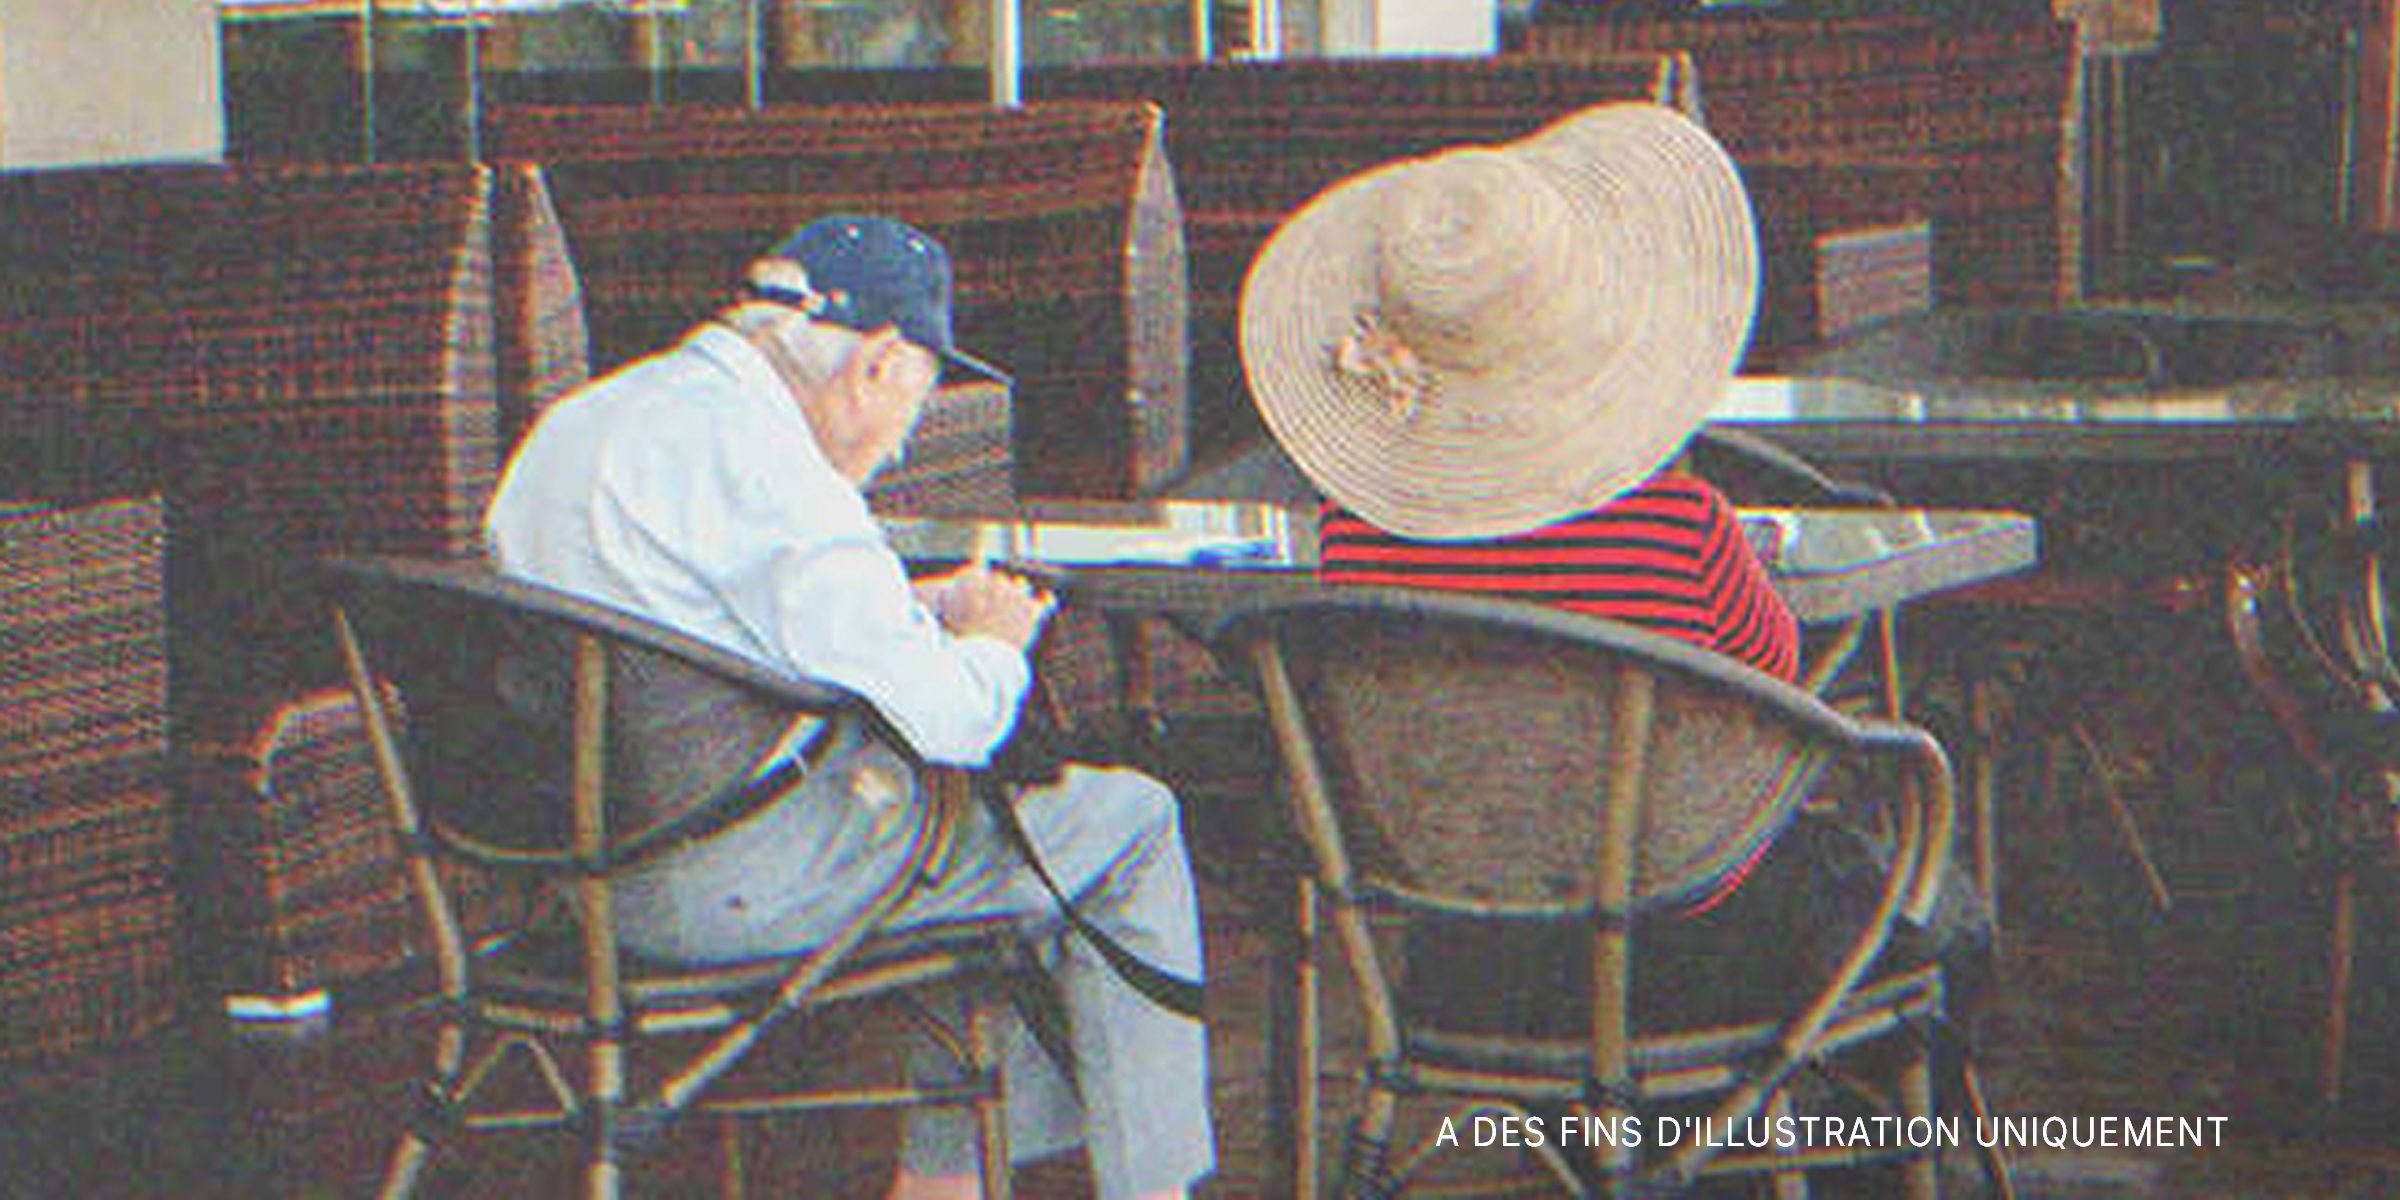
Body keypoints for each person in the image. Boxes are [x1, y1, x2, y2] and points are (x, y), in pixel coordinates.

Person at [486, 215, 1214, 1200]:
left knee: (975, 845)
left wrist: (902, 609)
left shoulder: (591, 417)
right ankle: (1144, 1191)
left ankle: (952, 1183)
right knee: (1114, 823)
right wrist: (994, 640)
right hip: (714, 883)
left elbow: (684, 621)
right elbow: (957, 722)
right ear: (877, 362)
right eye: (916, 393)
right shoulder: (778, 472)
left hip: (570, 871)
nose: (910, 430)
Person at [1236, 102, 1988, 1037]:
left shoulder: (1354, 545)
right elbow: (1775, 702)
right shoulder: (1682, 527)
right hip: (1695, 945)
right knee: (1938, 909)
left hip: (1461, 955)